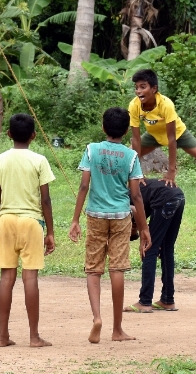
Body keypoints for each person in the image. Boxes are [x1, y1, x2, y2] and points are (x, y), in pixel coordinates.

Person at [69, 107, 152, 344]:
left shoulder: (92, 150)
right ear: (126, 131)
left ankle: (97, 317)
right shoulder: (130, 156)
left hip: (95, 215)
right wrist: (144, 228)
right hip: (121, 216)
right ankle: (117, 329)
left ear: (103, 127)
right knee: (117, 269)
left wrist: (75, 219)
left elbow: (84, 186)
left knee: (94, 269)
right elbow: (136, 196)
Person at [0, 113, 56, 348]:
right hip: (31, 223)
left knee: (6, 278)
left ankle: (2, 335)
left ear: (8, 134)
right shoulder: (39, 160)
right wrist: (51, 232)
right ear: (33, 136)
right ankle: (34, 336)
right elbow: (45, 200)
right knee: (30, 278)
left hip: (5, 221)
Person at [128, 69, 196, 187]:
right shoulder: (134, 105)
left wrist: (171, 172)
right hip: (153, 135)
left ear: (154, 89)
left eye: (143, 87)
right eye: (136, 87)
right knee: (128, 158)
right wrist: (138, 172)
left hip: (178, 134)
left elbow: (172, 139)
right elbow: (136, 139)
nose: (138, 91)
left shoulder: (166, 104)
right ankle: (123, 192)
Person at [124, 178, 184, 313]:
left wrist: (143, 241)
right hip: (178, 196)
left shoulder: (124, 201)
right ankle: (168, 300)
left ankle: (145, 301)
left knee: (149, 248)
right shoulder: (135, 191)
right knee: (167, 249)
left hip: (164, 197)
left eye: (132, 232)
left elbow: (134, 210)